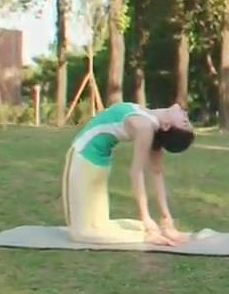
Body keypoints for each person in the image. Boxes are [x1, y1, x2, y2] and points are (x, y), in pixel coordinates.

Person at [61, 101, 196, 246]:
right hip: (95, 163)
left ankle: (146, 235)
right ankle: (151, 229)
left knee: (81, 233)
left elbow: (138, 172)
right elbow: (155, 173)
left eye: (184, 121)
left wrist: (158, 218)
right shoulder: (149, 120)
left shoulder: (145, 127)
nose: (185, 114)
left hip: (83, 157)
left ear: (167, 126)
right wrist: (163, 220)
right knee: (99, 225)